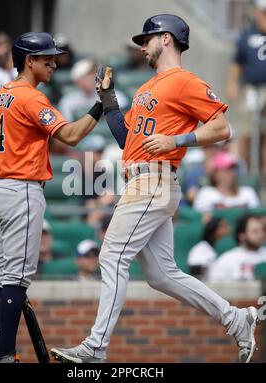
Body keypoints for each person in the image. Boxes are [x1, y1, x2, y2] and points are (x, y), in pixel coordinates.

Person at [51, 15, 259, 364]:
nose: (141, 46)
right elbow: (125, 139)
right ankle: (236, 319)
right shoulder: (149, 87)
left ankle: (95, 348)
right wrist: (108, 99)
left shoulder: (184, 81)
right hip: (143, 178)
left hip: (154, 180)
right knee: (163, 275)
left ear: (166, 39)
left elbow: (221, 128)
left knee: (112, 257)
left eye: (146, 39)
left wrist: (177, 139)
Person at [0, 32, 104, 363]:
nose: (53, 61)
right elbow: (72, 136)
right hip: (20, 190)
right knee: (16, 281)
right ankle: (4, 356)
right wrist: (101, 104)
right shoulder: (32, 98)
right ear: (28, 61)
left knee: (2, 278)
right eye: (45, 56)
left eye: (54, 56)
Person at [226, 0, 266, 173]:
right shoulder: (247, 35)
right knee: (246, 132)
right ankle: (247, 173)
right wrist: (232, 84)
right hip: (250, 88)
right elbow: (237, 63)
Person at [58, 58, 128, 122]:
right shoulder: (68, 101)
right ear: (77, 80)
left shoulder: (113, 94)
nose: (94, 77)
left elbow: (122, 119)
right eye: (88, 74)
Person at [193, 151, 260, 212]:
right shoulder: (206, 193)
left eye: (232, 168)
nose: (231, 172)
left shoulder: (248, 192)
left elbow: (258, 218)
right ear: (215, 174)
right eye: (226, 169)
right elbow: (200, 221)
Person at [209, 215, 266, 282]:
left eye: (262, 230)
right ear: (242, 236)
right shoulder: (227, 259)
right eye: (255, 231)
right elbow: (214, 285)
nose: (261, 235)